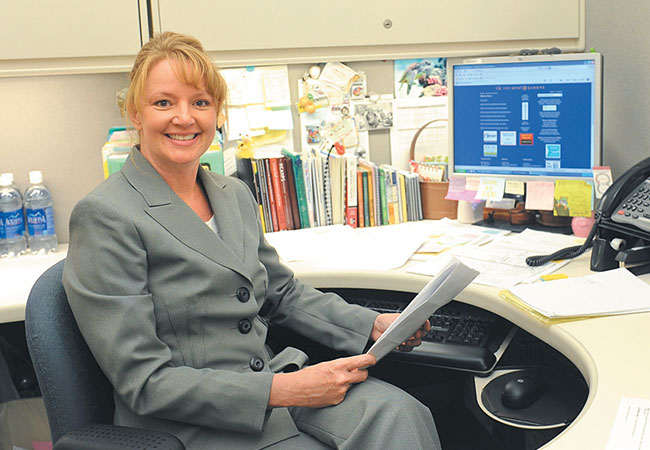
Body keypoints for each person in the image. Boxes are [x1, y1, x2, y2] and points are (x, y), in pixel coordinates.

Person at [63, 31, 442, 450]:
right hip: (191, 420)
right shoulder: (106, 215)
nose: (184, 117)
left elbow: (280, 292)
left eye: (200, 102)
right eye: (163, 102)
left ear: (217, 113)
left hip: (269, 383)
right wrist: (286, 390)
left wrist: (371, 324)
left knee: (402, 414)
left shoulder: (231, 194)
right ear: (135, 113)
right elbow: (145, 382)